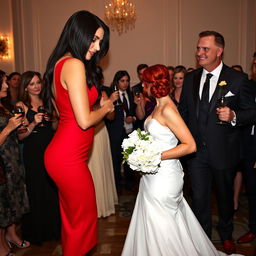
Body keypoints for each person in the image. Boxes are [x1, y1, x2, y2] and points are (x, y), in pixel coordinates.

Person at [121, 64, 241, 256]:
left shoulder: (168, 109)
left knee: (162, 223)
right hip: (152, 176)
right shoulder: (159, 105)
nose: (143, 86)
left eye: (145, 82)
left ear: (154, 84)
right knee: (156, 222)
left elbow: (190, 145)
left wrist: (155, 156)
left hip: (165, 176)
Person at [178, 30, 256, 254]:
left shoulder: (237, 79)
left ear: (219, 51)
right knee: (200, 198)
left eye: (205, 49)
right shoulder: (191, 78)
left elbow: (252, 112)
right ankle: (202, 240)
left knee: (224, 198)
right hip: (196, 153)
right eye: (198, 48)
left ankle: (226, 234)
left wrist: (234, 116)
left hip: (224, 152)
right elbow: (183, 112)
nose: (199, 53)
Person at [43, 10, 113, 256]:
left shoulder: (61, 63)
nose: (96, 47)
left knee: (75, 222)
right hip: (68, 157)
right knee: (82, 221)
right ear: (78, 34)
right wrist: (104, 109)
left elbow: (68, 114)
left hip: (65, 154)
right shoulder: (73, 64)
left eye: (99, 41)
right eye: (93, 39)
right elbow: (84, 121)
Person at [16, 71, 60, 245]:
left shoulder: (47, 101)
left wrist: (53, 118)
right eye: (32, 83)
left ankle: (53, 229)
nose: (37, 86)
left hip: (50, 148)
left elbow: (55, 127)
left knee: (51, 188)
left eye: (38, 82)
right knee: (36, 189)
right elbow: (20, 136)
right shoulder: (21, 105)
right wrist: (33, 122)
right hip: (33, 151)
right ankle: (38, 232)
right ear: (25, 87)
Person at [0, 70, 30, 256]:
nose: (6, 85)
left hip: (12, 159)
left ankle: (10, 236)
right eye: (2, 82)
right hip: (2, 164)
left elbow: (16, 136)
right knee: (2, 206)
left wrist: (20, 127)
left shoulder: (4, 106)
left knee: (12, 202)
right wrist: (9, 128)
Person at [88, 67, 118, 218]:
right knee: (90, 170)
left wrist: (108, 106)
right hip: (86, 133)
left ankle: (101, 205)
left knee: (100, 167)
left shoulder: (102, 93)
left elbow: (111, 118)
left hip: (99, 132)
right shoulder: (79, 92)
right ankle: (90, 206)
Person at [106, 70, 136, 192]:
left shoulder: (131, 94)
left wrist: (132, 118)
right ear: (117, 82)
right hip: (116, 132)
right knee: (116, 160)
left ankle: (130, 183)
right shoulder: (112, 95)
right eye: (122, 81)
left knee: (130, 159)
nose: (125, 83)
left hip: (129, 132)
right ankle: (116, 186)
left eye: (127, 81)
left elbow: (135, 113)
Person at [236, 53, 256, 244]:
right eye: (255, 64)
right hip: (249, 148)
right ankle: (253, 228)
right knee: (252, 190)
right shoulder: (249, 87)